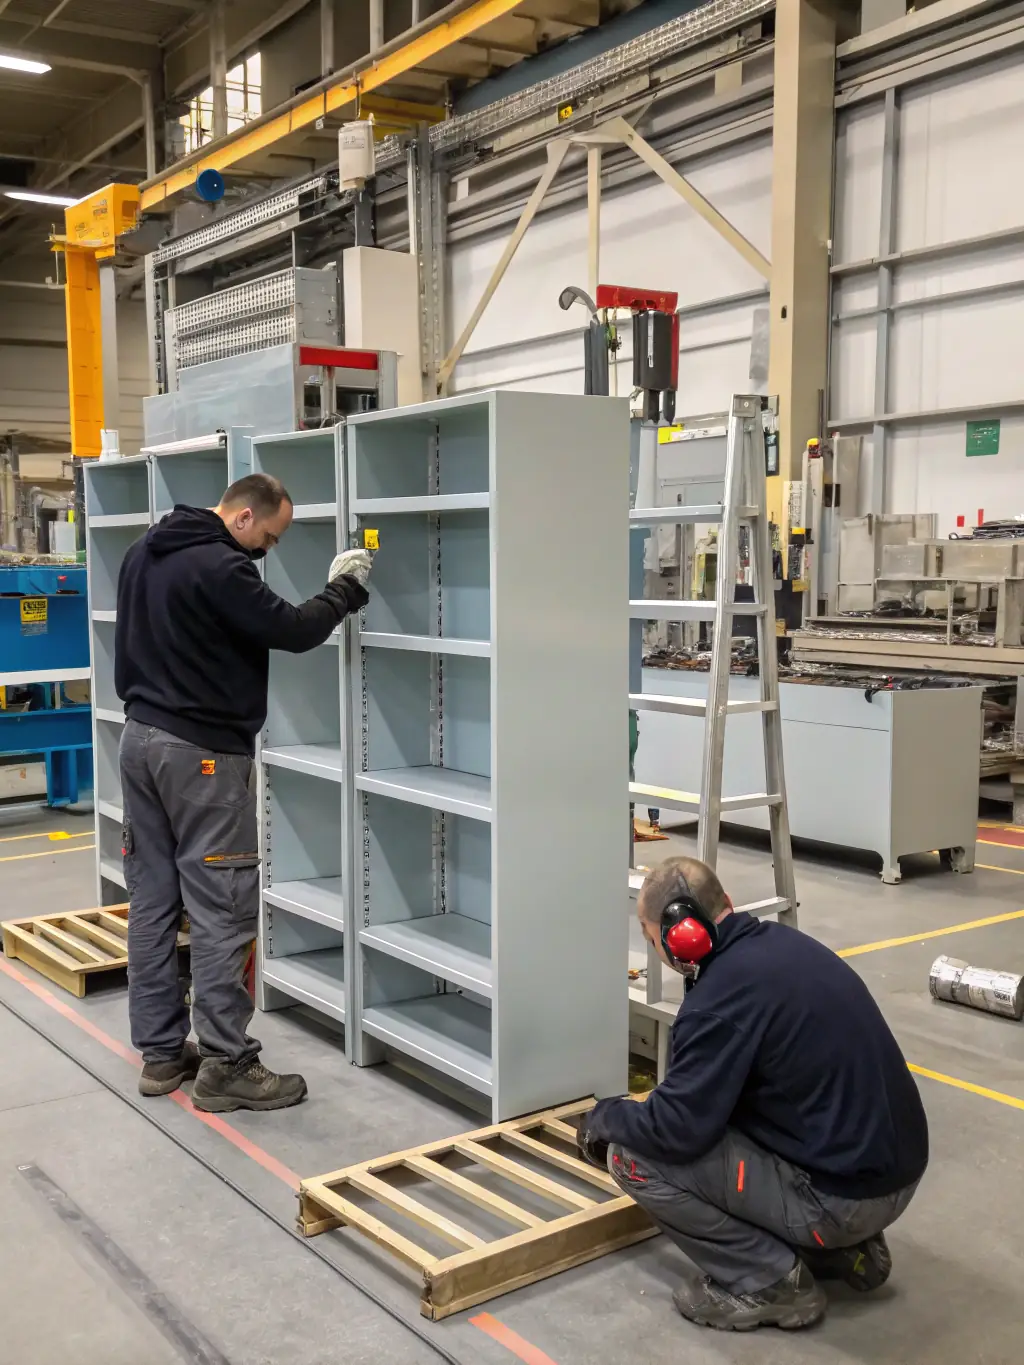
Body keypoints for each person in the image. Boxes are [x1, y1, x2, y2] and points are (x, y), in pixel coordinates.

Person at [577, 856, 928, 1333]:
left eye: (650, 936)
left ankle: (770, 1281)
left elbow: (676, 1130)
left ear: (681, 933)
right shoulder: (785, 946)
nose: (655, 949)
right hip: (893, 1178)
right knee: (732, 1110)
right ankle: (845, 1250)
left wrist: (605, 1118)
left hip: (842, 1202)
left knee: (632, 1157)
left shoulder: (719, 1001)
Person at [115, 474, 372, 1113]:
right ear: (243, 516)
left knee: (151, 902)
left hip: (140, 740)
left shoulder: (144, 549)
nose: (266, 553)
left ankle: (162, 1054)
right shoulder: (221, 566)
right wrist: (345, 590)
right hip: (200, 754)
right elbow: (291, 629)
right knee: (221, 907)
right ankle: (228, 1063)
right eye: (269, 538)